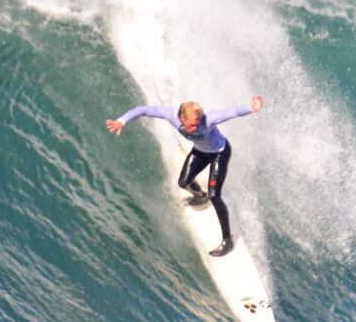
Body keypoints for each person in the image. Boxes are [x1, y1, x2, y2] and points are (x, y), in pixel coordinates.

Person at [106, 95, 264, 257]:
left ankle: (227, 241)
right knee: (183, 182)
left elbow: (232, 112)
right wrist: (121, 121)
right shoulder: (172, 115)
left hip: (219, 153)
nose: (194, 129)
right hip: (200, 152)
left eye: (196, 125)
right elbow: (144, 110)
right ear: (182, 118)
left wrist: (251, 108)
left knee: (215, 195)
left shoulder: (208, 120)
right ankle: (200, 196)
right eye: (191, 126)